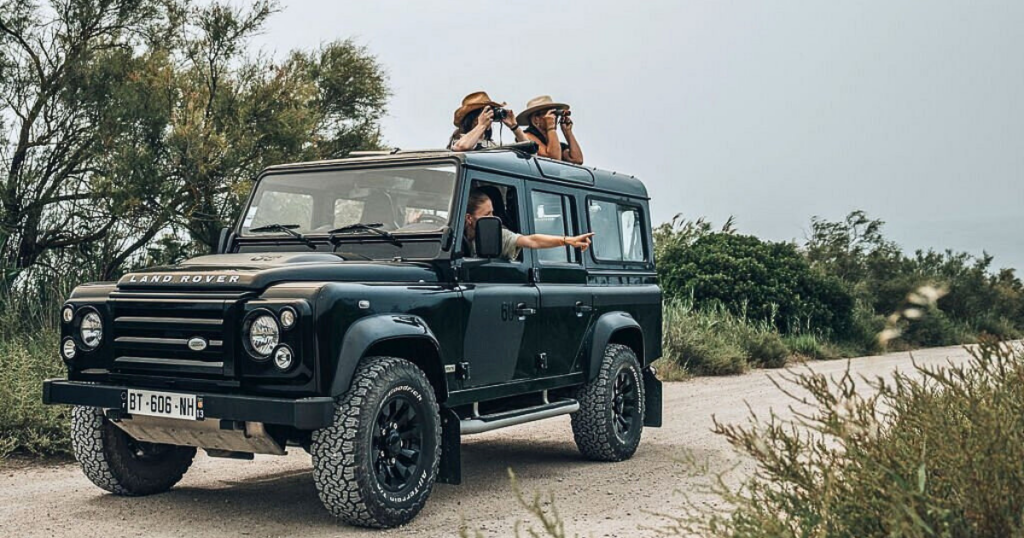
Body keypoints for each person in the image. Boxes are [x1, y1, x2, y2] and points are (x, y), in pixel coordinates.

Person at [464, 189, 593, 260]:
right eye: (487, 215)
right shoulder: (455, 236)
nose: (492, 218)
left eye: (492, 213)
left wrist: (567, 240)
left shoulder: (498, 235)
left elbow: (532, 241)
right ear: (469, 218)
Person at [449, 91, 528, 151]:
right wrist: (481, 125)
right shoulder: (460, 141)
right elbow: (461, 147)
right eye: (486, 112)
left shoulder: (491, 144)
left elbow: (530, 151)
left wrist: (514, 127)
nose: (490, 116)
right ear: (474, 119)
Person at [516, 95, 584, 164]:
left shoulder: (554, 144)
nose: (554, 117)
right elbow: (554, 159)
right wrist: (551, 128)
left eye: (555, 114)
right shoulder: (525, 136)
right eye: (550, 114)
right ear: (536, 119)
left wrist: (568, 132)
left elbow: (577, 160)